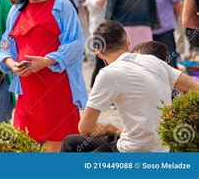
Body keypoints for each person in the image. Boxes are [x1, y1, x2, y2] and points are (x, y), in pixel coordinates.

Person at [61, 20, 199, 152]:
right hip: (163, 146)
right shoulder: (153, 61)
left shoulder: (108, 73)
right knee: (71, 141)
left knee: (70, 146)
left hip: (132, 149)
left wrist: (111, 129)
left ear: (98, 52)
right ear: (127, 43)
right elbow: (195, 88)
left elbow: (85, 128)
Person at [0, 0, 87, 152]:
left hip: (57, 88)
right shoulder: (16, 10)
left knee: (55, 148)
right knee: (25, 146)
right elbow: (5, 45)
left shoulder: (62, 6)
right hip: (26, 90)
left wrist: (45, 61)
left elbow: (74, 44)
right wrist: (12, 64)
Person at [86, 0, 112, 86]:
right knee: (101, 62)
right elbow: (96, 4)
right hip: (98, 31)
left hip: (112, 30)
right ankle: (94, 88)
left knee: (111, 63)